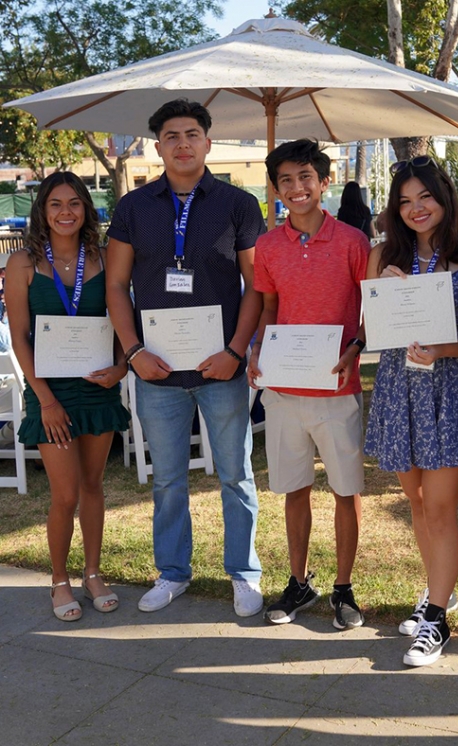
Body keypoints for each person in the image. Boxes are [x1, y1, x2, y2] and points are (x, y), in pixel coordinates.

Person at [105, 99, 265, 617]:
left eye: (192, 134)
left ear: (208, 143)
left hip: (221, 368)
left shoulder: (239, 204)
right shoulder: (133, 207)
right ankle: (173, 572)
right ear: (158, 147)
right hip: (157, 371)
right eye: (171, 136)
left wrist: (236, 350)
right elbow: (115, 284)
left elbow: (256, 286)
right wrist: (132, 353)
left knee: (236, 474)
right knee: (169, 480)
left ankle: (244, 573)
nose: (182, 144)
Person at [364, 155, 458, 666]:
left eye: (426, 197)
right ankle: (441, 589)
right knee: (416, 504)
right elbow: (375, 333)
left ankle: (436, 618)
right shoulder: (381, 257)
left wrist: (441, 348)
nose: (417, 208)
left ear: (445, 200)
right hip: (399, 390)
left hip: (450, 391)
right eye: (405, 201)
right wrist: (390, 299)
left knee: (440, 508)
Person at [247, 139, 369, 631]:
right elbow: (270, 308)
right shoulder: (268, 246)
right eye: (286, 181)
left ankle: (344, 587)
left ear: (324, 182)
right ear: (275, 190)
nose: (296, 188)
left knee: (346, 491)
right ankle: (298, 582)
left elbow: (370, 309)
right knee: (294, 489)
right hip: (283, 391)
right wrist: (259, 350)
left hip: (337, 391)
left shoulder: (353, 242)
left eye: (305, 178)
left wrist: (356, 349)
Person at [5, 172, 130, 621]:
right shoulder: (22, 264)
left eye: (74, 203)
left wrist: (121, 365)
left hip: (97, 389)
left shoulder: (103, 257)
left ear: (86, 209)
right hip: (50, 392)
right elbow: (20, 337)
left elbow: (121, 320)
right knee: (64, 494)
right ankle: (59, 580)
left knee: (94, 485)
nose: (65, 212)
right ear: (42, 210)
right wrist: (45, 398)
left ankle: (93, 572)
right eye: (55, 204)